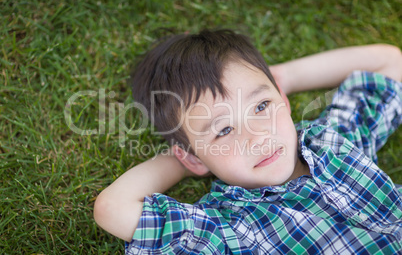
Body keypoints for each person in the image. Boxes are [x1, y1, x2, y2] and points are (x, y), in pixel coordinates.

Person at [94, 30, 402, 254]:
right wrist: (184, 159)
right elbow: (113, 207)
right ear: (195, 159)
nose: (257, 137)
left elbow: (389, 62)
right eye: (224, 130)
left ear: (282, 99)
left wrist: (284, 77)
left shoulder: (332, 139)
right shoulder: (228, 226)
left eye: (261, 106)